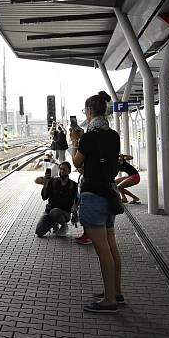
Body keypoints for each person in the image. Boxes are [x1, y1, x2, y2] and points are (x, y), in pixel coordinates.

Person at [69, 91, 124, 313]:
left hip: (93, 196)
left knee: (102, 248)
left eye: (85, 111)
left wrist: (74, 142)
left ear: (90, 112)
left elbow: (76, 162)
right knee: (111, 245)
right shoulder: (114, 135)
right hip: (109, 194)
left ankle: (109, 300)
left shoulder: (89, 138)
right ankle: (116, 292)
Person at [35, 161, 78, 237]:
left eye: (64, 169)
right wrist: (45, 184)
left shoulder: (73, 185)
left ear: (69, 171)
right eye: (60, 169)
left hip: (65, 213)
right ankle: (54, 222)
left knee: (55, 212)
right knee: (39, 231)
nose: (61, 171)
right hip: (49, 211)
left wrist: (75, 213)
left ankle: (64, 225)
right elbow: (44, 197)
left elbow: (76, 200)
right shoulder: (52, 181)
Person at [73, 166, 92, 245]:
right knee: (83, 218)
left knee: (87, 219)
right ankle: (85, 234)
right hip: (81, 200)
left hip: (87, 201)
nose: (78, 169)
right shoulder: (81, 176)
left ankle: (89, 237)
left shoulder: (88, 177)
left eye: (80, 167)